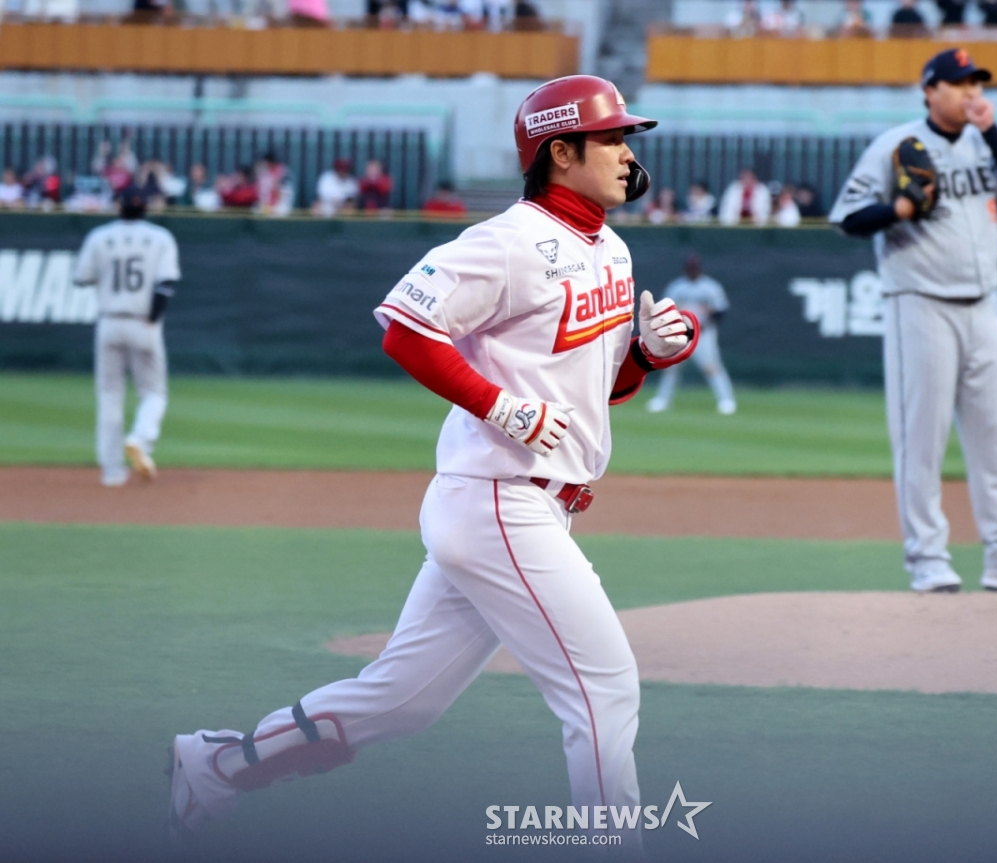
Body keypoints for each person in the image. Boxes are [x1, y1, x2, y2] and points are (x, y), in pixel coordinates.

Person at [167, 74, 699, 847]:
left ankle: (217, 764)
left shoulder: (611, 249)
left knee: (401, 700)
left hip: (521, 504)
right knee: (605, 686)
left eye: (626, 139)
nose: (627, 153)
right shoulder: (507, 241)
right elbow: (406, 327)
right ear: (561, 152)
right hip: (500, 500)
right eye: (612, 137)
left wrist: (644, 356)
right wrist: (498, 405)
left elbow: (593, 389)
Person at [828, 48, 997, 595]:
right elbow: (848, 217)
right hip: (920, 302)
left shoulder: (986, 142)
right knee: (921, 441)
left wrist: (991, 129)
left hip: (984, 306)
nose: (971, 91)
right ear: (930, 90)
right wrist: (900, 209)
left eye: (977, 81)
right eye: (959, 82)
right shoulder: (896, 145)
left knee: (995, 441)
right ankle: (928, 559)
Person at [72, 185, 180, 487]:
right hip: (143, 321)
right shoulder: (161, 237)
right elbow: (165, 287)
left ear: (118, 205)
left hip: (109, 321)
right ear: (146, 207)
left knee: (110, 395)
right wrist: (152, 321)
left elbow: (81, 278)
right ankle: (140, 439)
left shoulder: (99, 236)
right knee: (154, 393)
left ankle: (112, 472)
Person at [646, 255, 735, 415]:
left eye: (694, 268)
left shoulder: (710, 287)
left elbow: (720, 311)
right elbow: (666, 309)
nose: (692, 270)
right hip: (680, 332)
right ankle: (662, 400)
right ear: (685, 269)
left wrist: (705, 324)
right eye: (690, 268)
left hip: (703, 333)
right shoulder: (677, 287)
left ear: (700, 269)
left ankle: (726, 400)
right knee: (671, 366)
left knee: (711, 366)